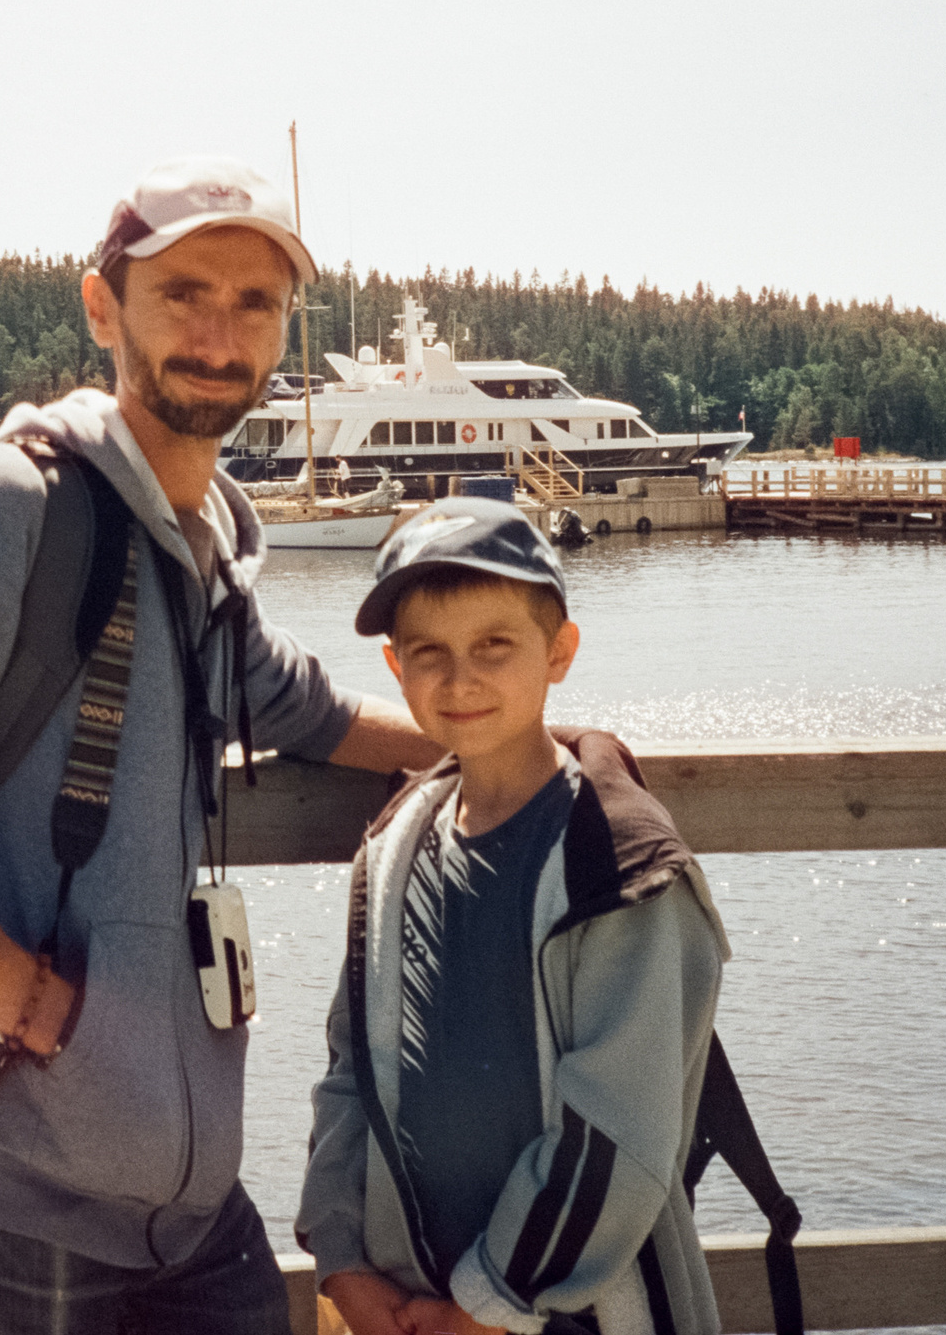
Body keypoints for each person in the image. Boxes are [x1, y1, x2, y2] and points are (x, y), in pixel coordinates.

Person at [0, 156, 438, 1335]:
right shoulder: (8, 503)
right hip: (10, 1207)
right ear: (103, 308)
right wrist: (40, 1011)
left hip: (193, 1214)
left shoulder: (202, 538)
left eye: (255, 303)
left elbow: (289, 702)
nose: (219, 331)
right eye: (184, 291)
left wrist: (503, 744)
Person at [297, 498, 732, 1335]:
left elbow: (618, 1137)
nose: (460, 679)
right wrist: (342, 1258)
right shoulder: (394, 848)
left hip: (576, 1308)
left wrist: (487, 1304)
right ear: (394, 668)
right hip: (406, 1297)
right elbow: (350, 1072)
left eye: (494, 645)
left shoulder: (619, 865)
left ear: (559, 651)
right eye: (429, 653)